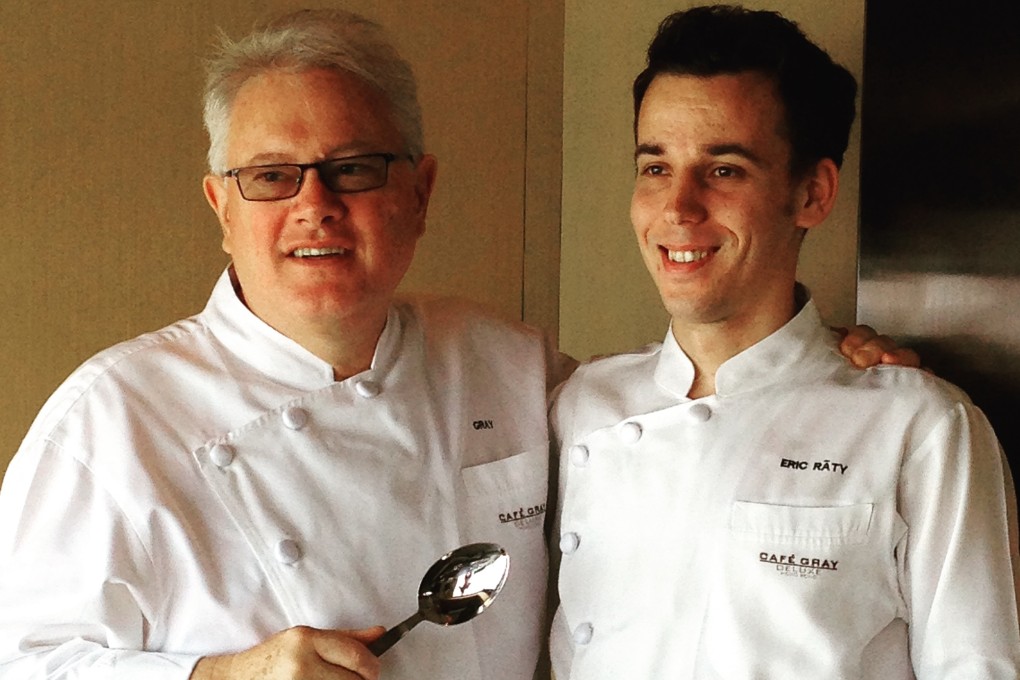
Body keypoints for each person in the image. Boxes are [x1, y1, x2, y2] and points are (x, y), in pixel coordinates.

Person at [0, 8, 917, 680]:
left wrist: (804, 362)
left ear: (420, 191)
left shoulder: (505, 360)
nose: (315, 206)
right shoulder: (112, 418)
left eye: (355, 169)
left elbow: (683, 414)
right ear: (223, 208)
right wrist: (216, 677)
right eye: (272, 176)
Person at [550, 5, 1020, 679]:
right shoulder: (579, 405)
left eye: (724, 170)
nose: (678, 208)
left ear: (812, 193)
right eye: (656, 167)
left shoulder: (921, 426)